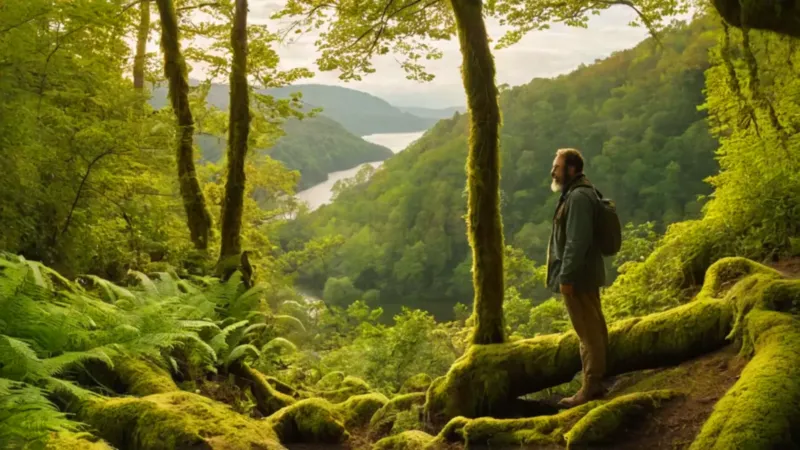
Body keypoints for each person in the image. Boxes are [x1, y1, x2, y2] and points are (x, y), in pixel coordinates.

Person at [545, 148, 609, 408]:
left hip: (578, 278)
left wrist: (566, 277)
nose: (553, 171)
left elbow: (576, 242)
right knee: (592, 327)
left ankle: (591, 387)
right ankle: (596, 382)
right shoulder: (575, 194)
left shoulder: (579, 197)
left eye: (557, 167)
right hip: (583, 275)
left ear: (571, 169)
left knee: (588, 331)